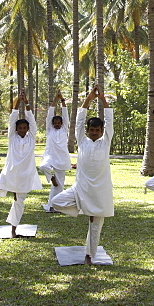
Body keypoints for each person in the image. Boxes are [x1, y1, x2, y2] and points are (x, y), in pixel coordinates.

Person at [50, 84, 114, 264]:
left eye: (97, 130)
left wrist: (102, 99)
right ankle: (81, 208)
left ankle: (90, 255)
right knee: (56, 202)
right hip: (80, 189)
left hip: (100, 190)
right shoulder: (82, 141)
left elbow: (109, 120)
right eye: (91, 130)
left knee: (95, 226)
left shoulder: (105, 142)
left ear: (102, 132)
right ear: (87, 131)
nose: (94, 132)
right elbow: (79, 120)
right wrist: (87, 100)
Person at [0, 90, 42, 236]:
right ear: (16, 129)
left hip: (24, 177)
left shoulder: (31, 137)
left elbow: (32, 120)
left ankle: (13, 230)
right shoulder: (12, 137)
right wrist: (17, 102)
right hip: (9, 174)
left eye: (24, 128)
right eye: (20, 128)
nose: (22, 130)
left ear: (28, 129)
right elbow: (12, 118)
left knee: (19, 204)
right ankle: (7, 189)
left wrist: (27, 103)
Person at [39, 91, 71, 212]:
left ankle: (53, 206)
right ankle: (51, 177)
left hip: (62, 159)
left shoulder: (64, 130)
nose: (57, 124)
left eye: (59, 123)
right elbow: (49, 115)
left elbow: (66, 115)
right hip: (50, 156)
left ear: (62, 124)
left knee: (59, 185)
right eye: (55, 123)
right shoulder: (50, 130)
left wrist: (62, 101)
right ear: (52, 124)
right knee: (42, 167)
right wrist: (54, 100)